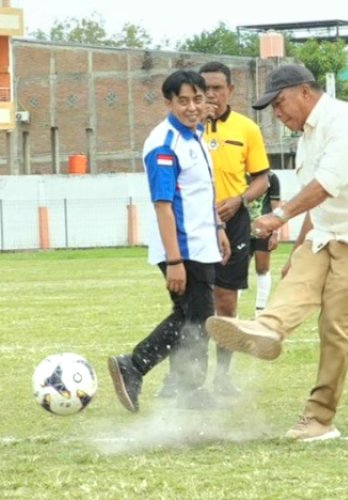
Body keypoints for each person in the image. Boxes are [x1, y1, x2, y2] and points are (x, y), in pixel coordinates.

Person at [206, 65, 348, 441]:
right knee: (297, 278)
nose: (278, 114)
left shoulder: (346, 121)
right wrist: (296, 251)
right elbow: (318, 208)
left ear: (304, 92)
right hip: (328, 235)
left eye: (280, 104)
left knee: (334, 323)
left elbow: (325, 186)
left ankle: (319, 419)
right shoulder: (307, 138)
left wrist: (278, 215)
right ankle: (265, 329)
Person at [107, 69, 230, 412]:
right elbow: (163, 206)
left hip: (202, 243)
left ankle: (183, 388)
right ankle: (136, 366)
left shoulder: (196, 135)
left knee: (193, 319)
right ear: (168, 102)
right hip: (183, 248)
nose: (192, 107)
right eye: (183, 101)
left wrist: (218, 228)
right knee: (196, 320)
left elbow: (201, 192)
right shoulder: (165, 143)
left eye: (197, 99)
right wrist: (174, 261)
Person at [156, 61, 271, 398]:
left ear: (230, 91)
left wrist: (239, 200)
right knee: (191, 306)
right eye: (204, 91)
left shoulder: (246, 129)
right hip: (193, 226)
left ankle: (222, 374)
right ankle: (181, 379)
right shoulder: (186, 130)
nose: (210, 97)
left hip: (231, 223)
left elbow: (263, 179)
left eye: (217, 89)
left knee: (225, 302)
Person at [247, 170, 282, 317]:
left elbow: (276, 206)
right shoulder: (238, 173)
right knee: (237, 270)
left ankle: (260, 310)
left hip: (264, 229)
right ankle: (231, 312)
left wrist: (275, 232)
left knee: (262, 268)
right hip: (241, 229)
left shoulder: (272, 177)